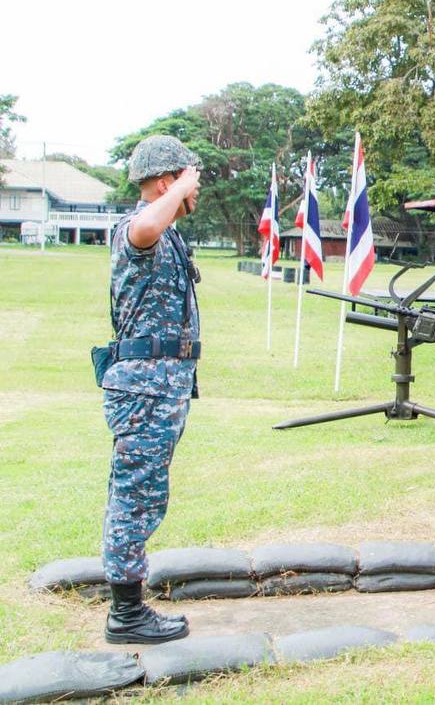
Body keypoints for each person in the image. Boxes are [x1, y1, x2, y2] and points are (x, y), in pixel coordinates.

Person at [100, 134, 203, 644]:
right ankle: (126, 615)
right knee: (136, 496)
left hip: (158, 390)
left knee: (141, 492)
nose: (196, 190)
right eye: (190, 180)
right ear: (167, 181)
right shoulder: (136, 228)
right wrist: (179, 186)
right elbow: (144, 225)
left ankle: (128, 601)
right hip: (144, 391)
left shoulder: (171, 236)